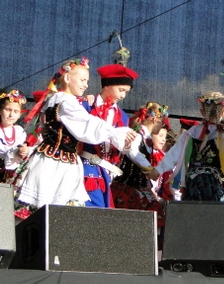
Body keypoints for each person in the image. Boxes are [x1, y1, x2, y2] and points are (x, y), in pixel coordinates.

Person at [11, 58, 151, 221]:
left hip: (67, 163)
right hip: (56, 162)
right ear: (67, 78)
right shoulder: (67, 101)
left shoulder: (63, 100)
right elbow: (86, 124)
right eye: (83, 80)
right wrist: (115, 132)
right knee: (51, 211)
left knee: (64, 214)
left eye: (87, 81)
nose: (86, 85)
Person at [151, 91, 224, 202]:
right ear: (223, 112)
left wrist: (157, 170)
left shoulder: (191, 133)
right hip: (214, 186)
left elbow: (173, 155)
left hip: (192, 183)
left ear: (202, 112)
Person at [80, 63, 140, 208]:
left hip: (106, 172)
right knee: (92, 208)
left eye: (126, 92)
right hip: (85, 168)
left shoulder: (122, 116)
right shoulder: (87, 106)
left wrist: (126, 145)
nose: (123, 95)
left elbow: (118, 147)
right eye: (121, 90)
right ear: (107, 85)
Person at [111, 102, 169, 221]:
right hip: (128, 186)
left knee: (154, 215)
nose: (162, 125)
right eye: (162, 122)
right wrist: (149, 168)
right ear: (154, 119)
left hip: (141, 187)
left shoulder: (147, 138)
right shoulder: (137, 135)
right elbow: (132, 152)